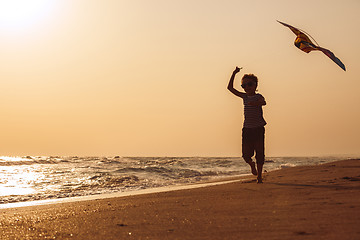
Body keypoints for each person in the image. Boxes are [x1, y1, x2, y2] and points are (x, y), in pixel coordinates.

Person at [227, 67, 267, 183]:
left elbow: (264, 102)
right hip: (247, 129)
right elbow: (230, 88)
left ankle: (259, 176)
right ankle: (251, 164)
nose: (247, 87)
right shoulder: (244, 97)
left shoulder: (258, 96)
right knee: (245, 155)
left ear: (255, 85)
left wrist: (255, 103)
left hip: (258, 129)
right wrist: (234, 73)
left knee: (260, 153)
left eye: (249, 84)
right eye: (244, 86)